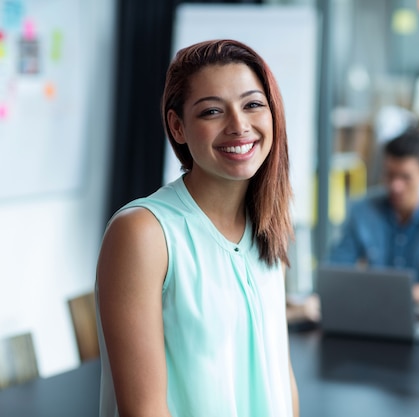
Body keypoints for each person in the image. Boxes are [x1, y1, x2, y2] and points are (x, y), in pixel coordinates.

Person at [96, 39, 298, 417]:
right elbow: (144, 410)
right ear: (178, 127)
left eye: (253, 104)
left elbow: (281, 379)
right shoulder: (143, 232)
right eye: (211, 112)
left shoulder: (268, 227)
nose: (239, 126)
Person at [328, 124, 419, 303]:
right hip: (374, 310)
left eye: (406, 177)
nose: (395, 186)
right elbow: (334, 273)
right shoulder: (362, 210)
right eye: (389, 175)